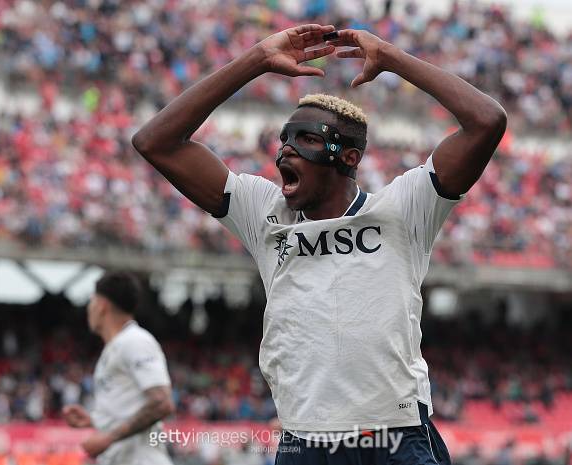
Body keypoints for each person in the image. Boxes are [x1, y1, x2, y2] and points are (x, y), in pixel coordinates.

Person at [132, 24, 506, 464]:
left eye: (307, 139)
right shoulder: (264, 212)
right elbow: (155, 142)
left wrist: (391, 57)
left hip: (392, 435)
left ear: (349, 157)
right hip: (303, 440)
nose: (286, 151)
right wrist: (256, 60)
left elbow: (487, 121)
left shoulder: (402, 209)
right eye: (284, 141)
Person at [62, 272, 174, 465]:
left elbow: (162, 403)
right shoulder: (114, 348)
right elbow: (129, 406)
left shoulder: (135, 341)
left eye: (91, 301)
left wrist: (109, 437)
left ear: (102, 305)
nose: (89, 308)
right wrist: (96, 420)